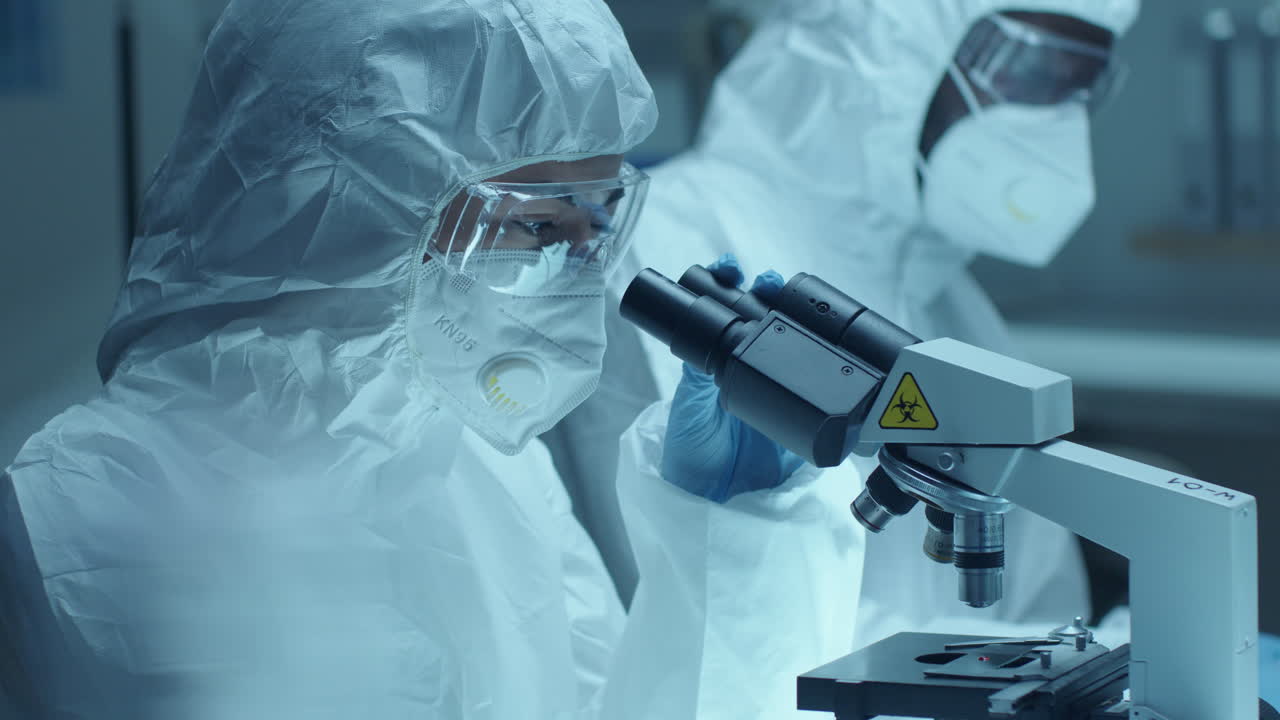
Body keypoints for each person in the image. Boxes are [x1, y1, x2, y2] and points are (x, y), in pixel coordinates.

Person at [0, 1, 861, 718]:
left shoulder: (491, 480)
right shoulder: (65, 521)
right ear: (346, 205)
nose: (573, 281)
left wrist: (733, 539)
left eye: (594, 229)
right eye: (536, 228)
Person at [565, 0, 1140, 646]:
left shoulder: (957, 305)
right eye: (1030, 70)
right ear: (890, 36)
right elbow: (688, 619)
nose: (1053, 124)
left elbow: (1037, 608)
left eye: (1078, 86)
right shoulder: (661, 252)